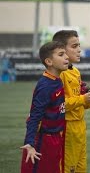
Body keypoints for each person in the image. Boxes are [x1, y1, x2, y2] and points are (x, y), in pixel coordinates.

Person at [52, 30, 90, 173]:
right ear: (60, 50)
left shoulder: (75, 72)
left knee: (81, 168)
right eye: (74, 46)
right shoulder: (59, 74)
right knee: (68, 168)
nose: (79, 50)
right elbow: (58, 105)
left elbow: (80, 102)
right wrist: (83, 98)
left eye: (79, 45)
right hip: (67, 127)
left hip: (80, 126)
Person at [20, 41, 69, 173]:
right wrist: (30, 144)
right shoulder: (45, 86)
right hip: (42, 141)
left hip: (55, 138)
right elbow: (34, 116)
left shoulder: (57, 80)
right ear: (49, 61)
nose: (66, 57)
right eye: (61, 54)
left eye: (65, 53)